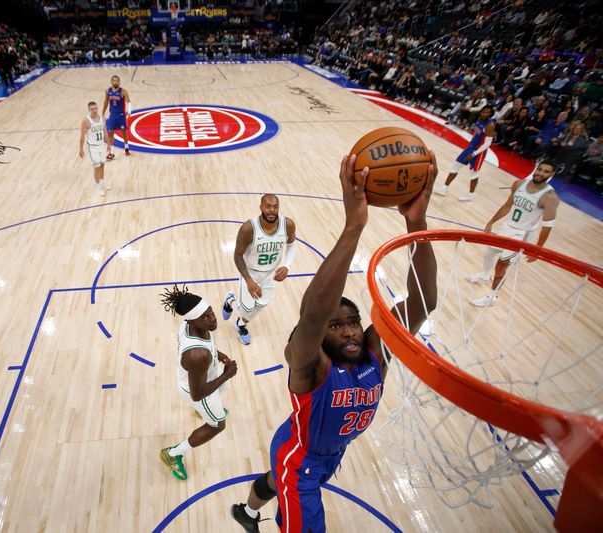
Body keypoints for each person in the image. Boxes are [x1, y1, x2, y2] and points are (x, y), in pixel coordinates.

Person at [231, 152, 439, 532]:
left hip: (323, 451)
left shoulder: (374, 354)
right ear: (319, 335)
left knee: (271, 475)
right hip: (301, 462)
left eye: (354, 322)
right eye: (336, 325)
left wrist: (416, 224)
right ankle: (255, 507)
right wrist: (353, 228)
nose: (348, 331)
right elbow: (312, 314)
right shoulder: (310, 367)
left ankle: (245, 513)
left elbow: (423, 302)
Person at [159, 285, 238, 481]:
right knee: (218, 425)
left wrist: (217, 354)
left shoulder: (189, 325)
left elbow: (206, 346)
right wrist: (227, 374)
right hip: (199, 390)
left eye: (211, 312)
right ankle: (172, 454)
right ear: (193, 319)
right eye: (206, 317)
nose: (212, 318)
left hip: (199, 376)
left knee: (223, 387)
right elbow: (198, 394)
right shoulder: (197, 355)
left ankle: (202, 410)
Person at [466, 160, 560, 307]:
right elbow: (507, 206)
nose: (541, 173)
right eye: (539, 169)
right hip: (507, 228)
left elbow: (547, 227)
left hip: (522, 235)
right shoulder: (519, 184)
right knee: (489, 254)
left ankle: (492, 297)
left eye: (546, 171)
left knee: (501, 265)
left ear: (552, 175)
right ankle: (484, 275)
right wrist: (491, 222)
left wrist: (537, 250)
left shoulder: (550, 197)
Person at [221, 194, 297, 345]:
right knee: (246, 308)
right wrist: (249, 280)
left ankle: (240, 322)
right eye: (268, 206)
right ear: (261, 207)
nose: (271, 210)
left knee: (261, 305)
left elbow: (292, 244)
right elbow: (237, 256)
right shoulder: (248, 228)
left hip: (271, 275)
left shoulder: (287, 224)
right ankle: (232, 302)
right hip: (250, 273)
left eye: (275, 207)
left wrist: (286, 266)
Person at [434, 105, 495, 202]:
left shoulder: (490, 125)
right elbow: (477, 135)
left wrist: (474, 154)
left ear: (491, 114)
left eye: (488, 112)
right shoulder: (479, 119)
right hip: (470, 148)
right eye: (484, 111)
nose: (485, 114)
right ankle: (444, 189)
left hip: (479, 152)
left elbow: (488, 143)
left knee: (473, 173)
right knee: (455, 166)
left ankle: (471, 195)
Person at [78, 101, 111, 197]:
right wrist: (81, 149)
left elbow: (105, 131)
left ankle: (102, 182)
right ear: (89, 110)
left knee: (102, 164)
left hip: (101, 145)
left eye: (96, 108)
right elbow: (82, 136)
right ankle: (98, 186)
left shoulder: (102, 118)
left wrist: (108, 143)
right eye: (92, 109)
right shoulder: (86, 121)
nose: (94, 110)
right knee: (97, 166)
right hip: (92, 147)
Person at [101, 75, 131, 159]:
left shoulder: (123, 91)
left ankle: (126, 148)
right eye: (114, 80)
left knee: (124, 132)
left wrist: (129, 112)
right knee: (111, 133)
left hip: (121, 115)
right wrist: (103, 112)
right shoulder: (107, 91)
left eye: (117, 80)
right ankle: (109, 152)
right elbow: (106, 102)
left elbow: (128, 102)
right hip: (113, 115)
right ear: (111, 81)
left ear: (119, 82)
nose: (115, 82)